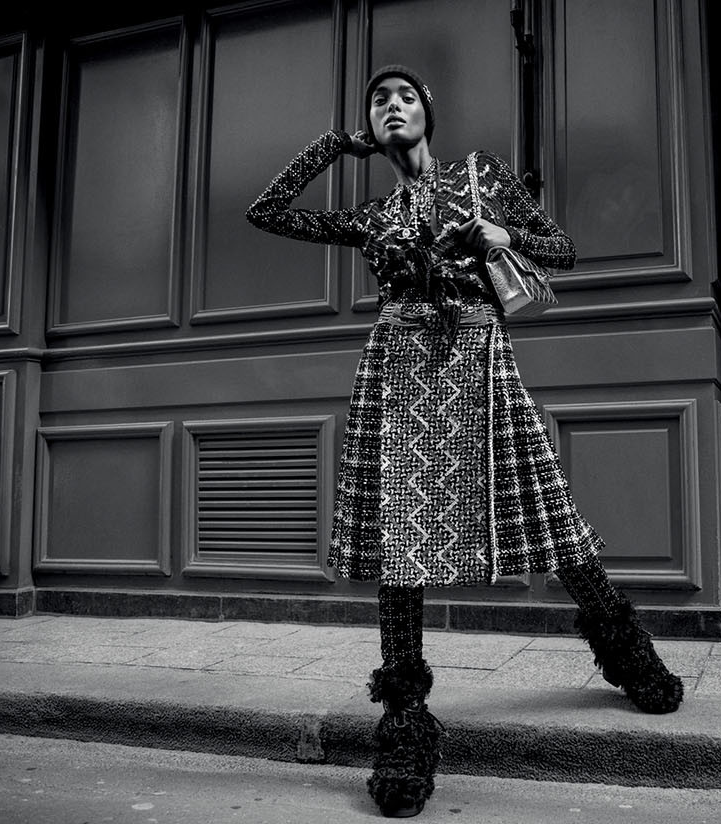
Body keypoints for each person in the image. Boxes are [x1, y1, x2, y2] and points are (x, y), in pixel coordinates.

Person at [246, 65, 683, 818]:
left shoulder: (480, 176)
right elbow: (267, 211)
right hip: (398, 371)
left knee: (550, 515)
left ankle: (629, 657)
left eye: (405, 97)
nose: (392, 106)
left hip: (479, 360)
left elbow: (562, 248)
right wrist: (336, 145)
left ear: (429, 113)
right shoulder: (373, 214)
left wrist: (503, 234)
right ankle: (405, 728)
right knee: (400, 542)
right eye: (378, 101)